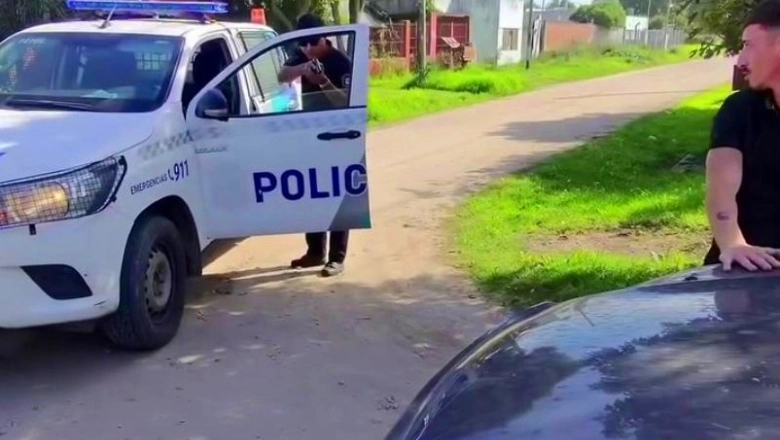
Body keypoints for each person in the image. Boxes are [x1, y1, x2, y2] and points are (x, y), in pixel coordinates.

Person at [704, 0, 780, 272]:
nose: (741, 61)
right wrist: (733, 244)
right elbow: (720, 190)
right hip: (743, 271)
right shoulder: (740, 110)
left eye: (748, 45)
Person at [278, 13, 353, 277]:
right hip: (309, 135)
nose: (307, 48)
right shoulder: (303, 53)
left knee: (337, 196)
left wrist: (323, 83)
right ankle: (314, 252)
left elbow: (346, 103)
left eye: (312, 43)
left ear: (324, 38)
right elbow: (281, 75)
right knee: (312, 193)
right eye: (304, 44)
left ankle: (336, 257)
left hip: (338, 136)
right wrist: (302, 70)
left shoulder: (340, 62)